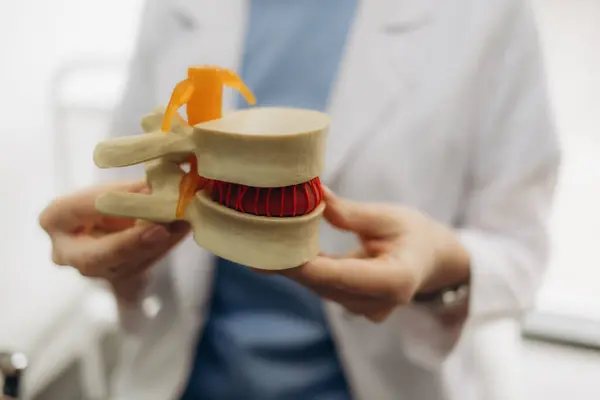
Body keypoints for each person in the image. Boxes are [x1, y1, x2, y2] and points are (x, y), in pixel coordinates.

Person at [38, 0, 561, 399]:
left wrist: (441, 271)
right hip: (184, 379)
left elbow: (519, 251)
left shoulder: (488, 15)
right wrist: (114, 259)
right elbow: (130, 195)